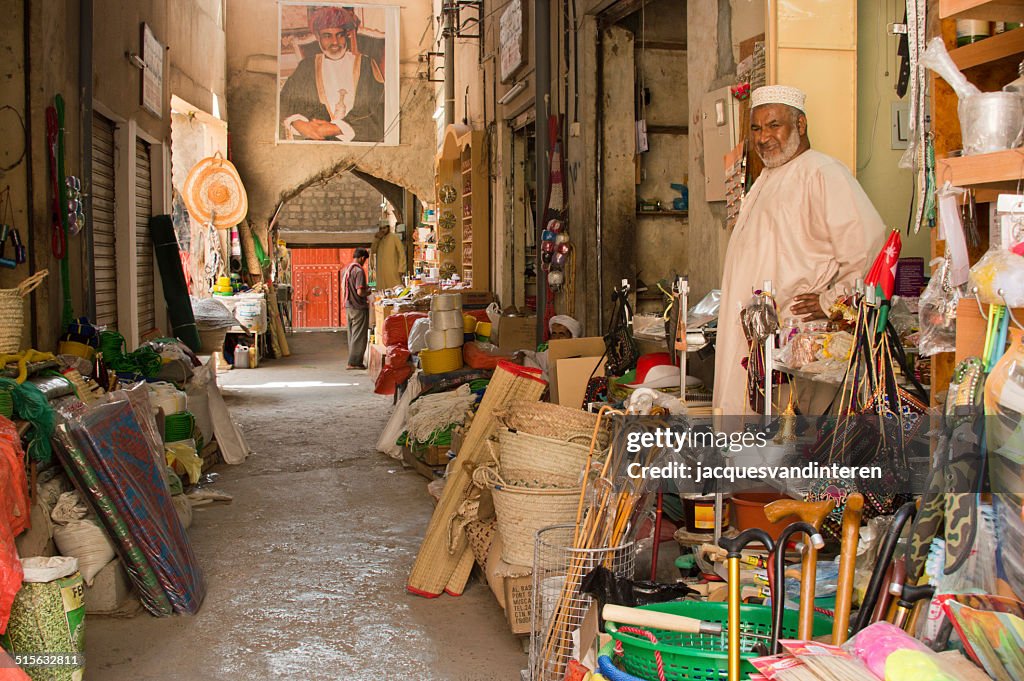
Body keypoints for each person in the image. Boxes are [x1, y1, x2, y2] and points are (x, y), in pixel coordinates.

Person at [712, 85, 886, 416]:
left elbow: (869, 249)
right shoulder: (765, 179)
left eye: (774, 125)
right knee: (757, 448)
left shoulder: (822, 172)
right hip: (755, 342)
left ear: (800, 125)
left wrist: (829, 302)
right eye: (756, 128)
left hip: (795, 344)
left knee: (795, 451)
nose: (763, 137)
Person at [279, 7, 385, 143]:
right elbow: (286, 102)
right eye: (327, 36)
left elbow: (377, 109)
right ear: (318, 37)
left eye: (339, 35)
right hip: (317, 142)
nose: (335, 42)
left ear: (346, 35)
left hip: (357, 139)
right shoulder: (307, 66)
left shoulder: (365, 64)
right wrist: (298, 123)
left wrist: (337, 128)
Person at [342, 248, 371, 369]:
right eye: (364, 260)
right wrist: (369, 291)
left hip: (349, 306)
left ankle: (352, 360)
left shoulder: (347, 269)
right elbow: (360, 292)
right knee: (359, 335)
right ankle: (354, 362)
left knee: (353, 335)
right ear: (362, 258)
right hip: (358, 307)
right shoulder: (359, 271)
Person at [369, 222, 407, 291]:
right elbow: (373, 252)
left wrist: (401, 268)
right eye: (381, 228)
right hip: (381, 271)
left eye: (384, 228)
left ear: (388, 228)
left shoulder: (394, 238)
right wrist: (376, 239)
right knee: (381, 291)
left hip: (393, 270)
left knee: (396, 289)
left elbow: (401, 253)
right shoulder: (378, 239)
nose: (383, 230)